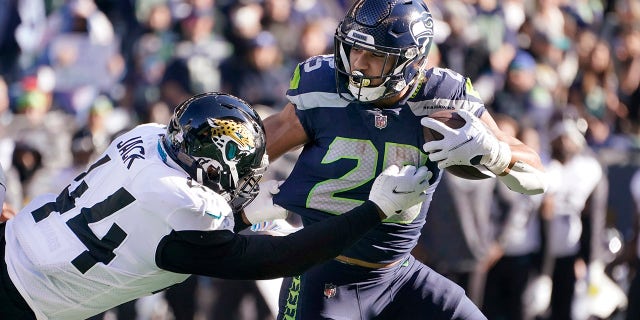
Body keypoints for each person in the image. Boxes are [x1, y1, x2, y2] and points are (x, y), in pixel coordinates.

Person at [0, 92, 433, 320]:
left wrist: (242, 216)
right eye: (243, 171)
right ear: (211, 168)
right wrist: (373, 210)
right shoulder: (188, 208)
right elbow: (281, 257)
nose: (247, 182)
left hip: (17, 247)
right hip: (25, 300)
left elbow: (145, 223)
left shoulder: (149, 137)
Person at [261, 0, 547, 318]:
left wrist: (496, 154)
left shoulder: (443, 98)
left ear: (411, 61)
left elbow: (536, 178)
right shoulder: (323, 87)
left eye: (375, 55)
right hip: (321, 273)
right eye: (354, 49)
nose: (358, 63)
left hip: (398, 275)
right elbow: (251, 153)